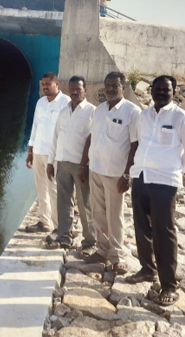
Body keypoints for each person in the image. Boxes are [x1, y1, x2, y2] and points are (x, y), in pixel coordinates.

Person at [125, 75, 185, 307]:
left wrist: (175, 167)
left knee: (164, 232)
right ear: (151, 91)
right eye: (157, 89)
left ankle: (169, 285)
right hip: (141, 177)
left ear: (173, 91)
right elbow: (138, 143)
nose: (160, 93)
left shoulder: (181, 118)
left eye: (165, 89)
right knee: (141, 227)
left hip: (164, 182)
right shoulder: (143, 115)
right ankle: (147, 269)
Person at [78, 72, 140, 275]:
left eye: (114, 85)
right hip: (95, 169)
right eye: (107, 85)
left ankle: (117, 256)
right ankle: (102, 249)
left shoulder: (132, 112)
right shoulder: (100, 110)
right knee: (98, 212)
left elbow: (135, 145)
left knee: (115, 215)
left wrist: (127, 175)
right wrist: (83, 165)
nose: (110, 89)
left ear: (123, 87)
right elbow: (92, 137)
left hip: (116, 174)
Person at [45, 76, 96, 251]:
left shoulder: (92, 112)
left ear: (85, 90)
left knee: (85, 204)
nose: (74, 92)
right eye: (72, 89)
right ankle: (64, 236)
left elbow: (93, 141)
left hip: (82, 166)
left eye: (78, 89)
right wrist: (51, 162)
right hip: (62, 164)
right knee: (64, 201)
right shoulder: (64, 110)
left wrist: (85, 166)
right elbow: (55, 137)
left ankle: (90, 241)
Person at [26, 72, 71, 233]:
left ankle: (58, 226)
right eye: (43, 84)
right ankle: (44, 222)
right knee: (41, 188)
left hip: (54, 155)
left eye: (48, 84)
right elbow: (35, 127)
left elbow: (66, 131)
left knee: (54, 190)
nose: (44, 87)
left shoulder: (65, 103)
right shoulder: (40, 103)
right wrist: (30, 151)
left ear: (56, 84)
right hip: (38, 151)